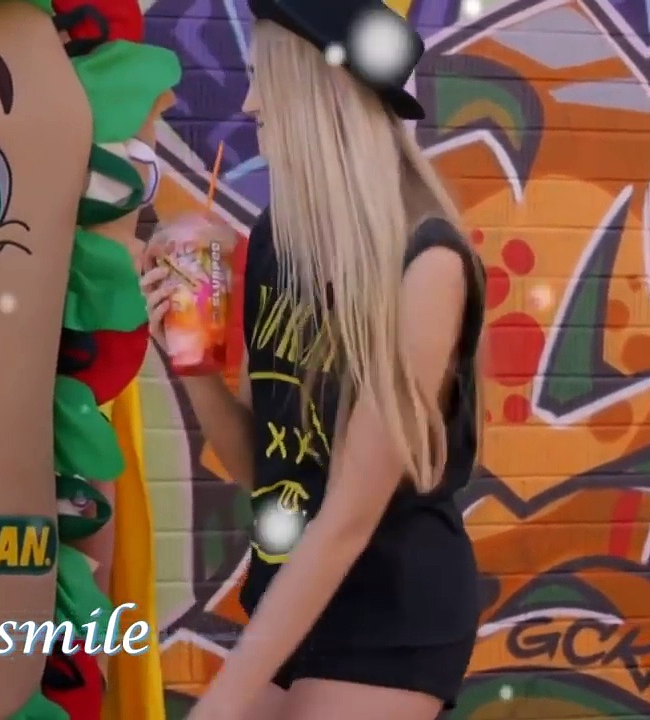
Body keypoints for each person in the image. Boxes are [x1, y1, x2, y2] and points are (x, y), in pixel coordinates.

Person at [141, 2, 486, 719]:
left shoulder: (427, 263)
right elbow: (262, 468)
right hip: (290, 595)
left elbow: (348, 519)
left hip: (389, 612)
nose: (249, 102)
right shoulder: (280, 241)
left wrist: (220, 700)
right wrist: (192, 361)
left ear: (323, 89)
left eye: (264, 77)